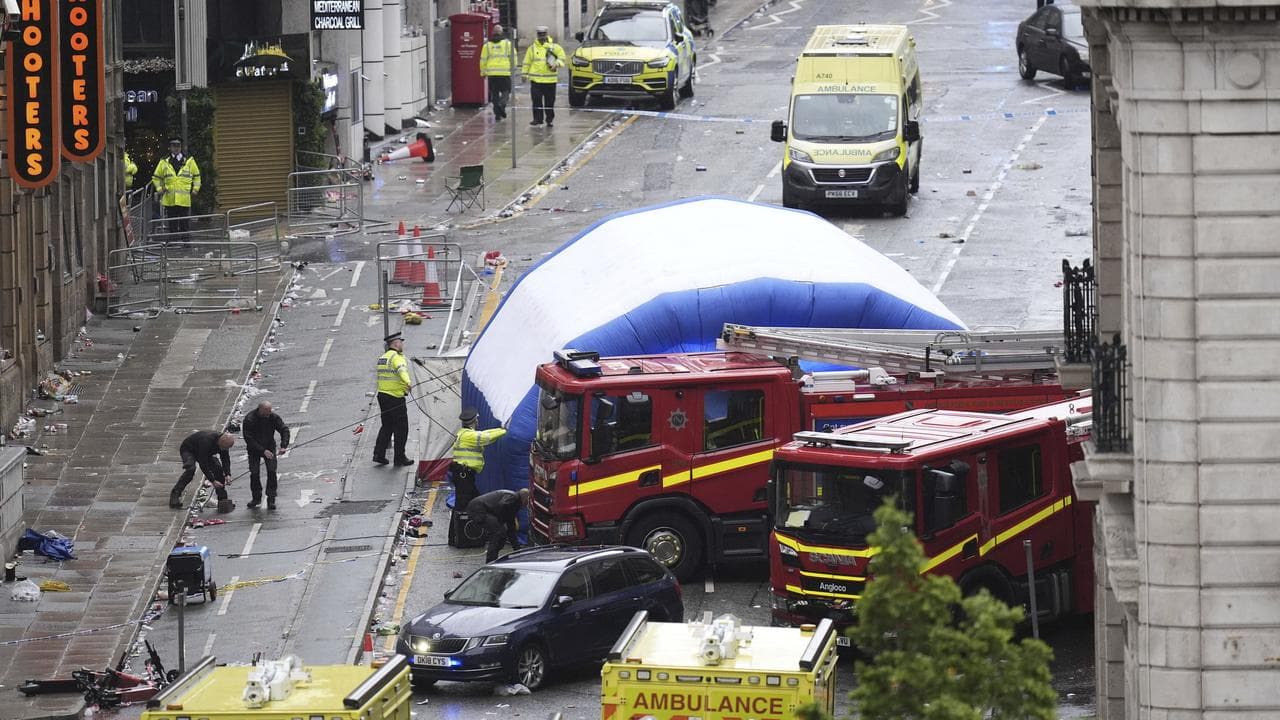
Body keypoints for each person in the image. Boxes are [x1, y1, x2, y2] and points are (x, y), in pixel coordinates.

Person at [448, 408, 508, 545]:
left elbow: (484, 433)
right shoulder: (469, 436)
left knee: (474, 503)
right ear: (475, 420)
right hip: (464, 475)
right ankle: (458, 537)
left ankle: (463, 535)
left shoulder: (465, 433)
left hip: (464, 475)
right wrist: (505, 431)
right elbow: (486, 437)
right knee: (463, 506)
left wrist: (501, 428)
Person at [374, 332, 414, 467]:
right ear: (395, 343)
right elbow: (401, 370)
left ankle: (378, 454)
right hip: (395, 397)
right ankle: (400, 457)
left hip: (382, 396)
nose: (402, 344)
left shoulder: (382, 358)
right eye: (400, 342)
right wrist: (408, 382)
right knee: (401, 428)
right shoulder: (396, 357)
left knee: (387, 426)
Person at [170, 430, 236, 513]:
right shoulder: (207, 441)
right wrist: (213, 481)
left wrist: (227, 474)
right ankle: (175, 494)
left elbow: (225, 459)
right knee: (190, 469)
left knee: (218, 469)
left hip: (206, 453)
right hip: (189, 449)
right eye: (223, 447)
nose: (224, 450)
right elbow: (203, 464)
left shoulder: (224, 443)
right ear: (220, 441)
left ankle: (222, 500)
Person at [242, 400, 291, 510]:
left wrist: (283, 445)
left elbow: (284, 429)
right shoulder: (249, 419)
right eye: (266, 413)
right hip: (254, 449)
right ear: (260, 410)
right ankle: (256, 498)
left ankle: (271, 498)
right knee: (254, 473)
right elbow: (248, 438)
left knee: (272, 471)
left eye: (270, 412)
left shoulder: (273, 417)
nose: (269, 415)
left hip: (269, 446)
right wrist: (262, 451)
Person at [151, 138, 201, 242]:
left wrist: (196, 189)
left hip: (184, 199)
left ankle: (186, 242)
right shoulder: (164, 162)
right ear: (170, 147)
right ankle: (173, 242)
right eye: (174, 146)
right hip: (170, 199)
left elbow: (197, 176)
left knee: (184, 222)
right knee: (172, 223)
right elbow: (156, 177)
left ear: (181, 147)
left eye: (178, 146)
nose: (176, 148)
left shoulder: (189, 161)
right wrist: (159, 189)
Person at [465, 488, 531, 562]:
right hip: (478, 509)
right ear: (525, 499)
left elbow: (511, 530)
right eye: (528, 501)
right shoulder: (513, 498)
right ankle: (490, 561)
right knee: (498, 533)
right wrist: (500, 522)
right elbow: (502, 505)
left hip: (480, 508)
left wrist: (518, 550)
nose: (528, 504)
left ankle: (493, 557)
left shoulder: (514, 502)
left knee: (502, 536)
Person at [522, 26, 566, 128]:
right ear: (537, 35)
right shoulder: (532, 48)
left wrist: (556, 64)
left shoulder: (555, 47)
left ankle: (549, 120)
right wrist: (524, 74)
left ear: (547, 34)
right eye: (539, 35)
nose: (541, 37)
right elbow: (526, 62)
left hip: (550, 80)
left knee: (549, 102)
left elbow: (562, 58)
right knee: (536, 101)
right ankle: (537, 119)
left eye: (543, 34)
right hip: (536, 81)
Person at [480, 25, 514, 121]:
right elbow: (513, 57)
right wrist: (512, 68)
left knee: (494, 94)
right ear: (501, 32)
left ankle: (497, 114)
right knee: (506, 92)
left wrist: (483, 72)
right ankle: (502, 104)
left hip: (492, 74)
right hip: (504, 73)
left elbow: (483, 60)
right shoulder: (508, 44)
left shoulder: (487, 45)